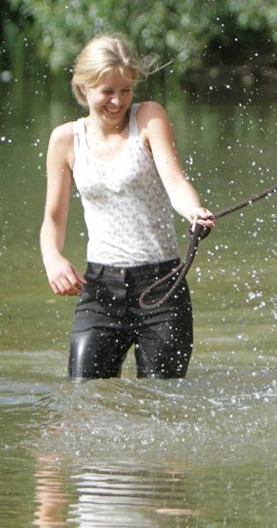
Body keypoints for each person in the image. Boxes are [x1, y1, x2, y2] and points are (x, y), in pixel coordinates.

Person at [39, 34, 214, 378]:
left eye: (125, 90)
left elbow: (175, 180)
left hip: (163, 287)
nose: (117, 101)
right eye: (107, 91)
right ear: (83, 88)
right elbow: (53, 218)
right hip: (100, 291)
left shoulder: (148, 118)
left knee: (161, 403)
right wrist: (53, 258)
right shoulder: (65, 139)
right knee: (85, 398)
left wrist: (195, 211)